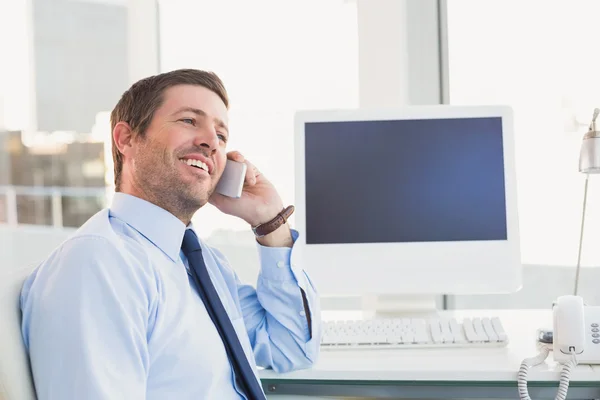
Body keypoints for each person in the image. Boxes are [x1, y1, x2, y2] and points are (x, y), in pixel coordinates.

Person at [20, 69, 321, 400]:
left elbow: (290, 348)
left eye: (222, 136)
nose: (211, 143)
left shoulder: (204, 263)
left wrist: (270, 223)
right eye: (190, 121)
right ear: (127, 139)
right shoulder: (99, 262)